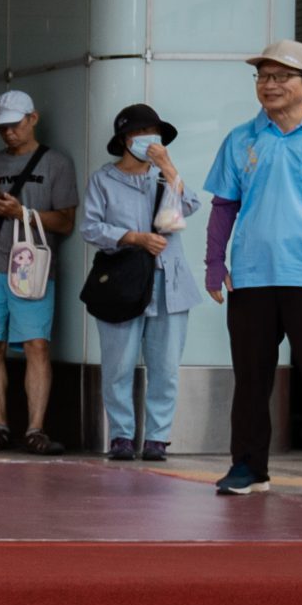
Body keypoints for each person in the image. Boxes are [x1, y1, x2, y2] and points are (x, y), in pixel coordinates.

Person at [203, 41, 302, 495]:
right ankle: (249, 467)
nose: (269, 85)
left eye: (281, 77)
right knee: (251, 379)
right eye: (263, 77)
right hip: (251, 276)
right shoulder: (241, 138)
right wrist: (214, 263)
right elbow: (224, 206)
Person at [82, 104, 205, 461]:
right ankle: (121, 435)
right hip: (121, 282)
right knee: (118, 363)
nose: (148, 140)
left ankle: (157, 438)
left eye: (154, 133)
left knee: (165, 366)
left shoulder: (164, 177)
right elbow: (90, 227)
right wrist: (133, 238)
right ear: (124, 139)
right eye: (140, 133)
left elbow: (191, 205)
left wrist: (168, 168)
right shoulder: (103, 180)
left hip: (170, 283)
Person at [0, 89, 78, 453]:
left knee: (36, 345)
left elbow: (66, 221)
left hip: (33, 266)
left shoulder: (56, 163)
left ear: (33, 119)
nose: (9, 133)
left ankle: (35, 429)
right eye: (2, 128)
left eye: (15, 125)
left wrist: (21, 213)